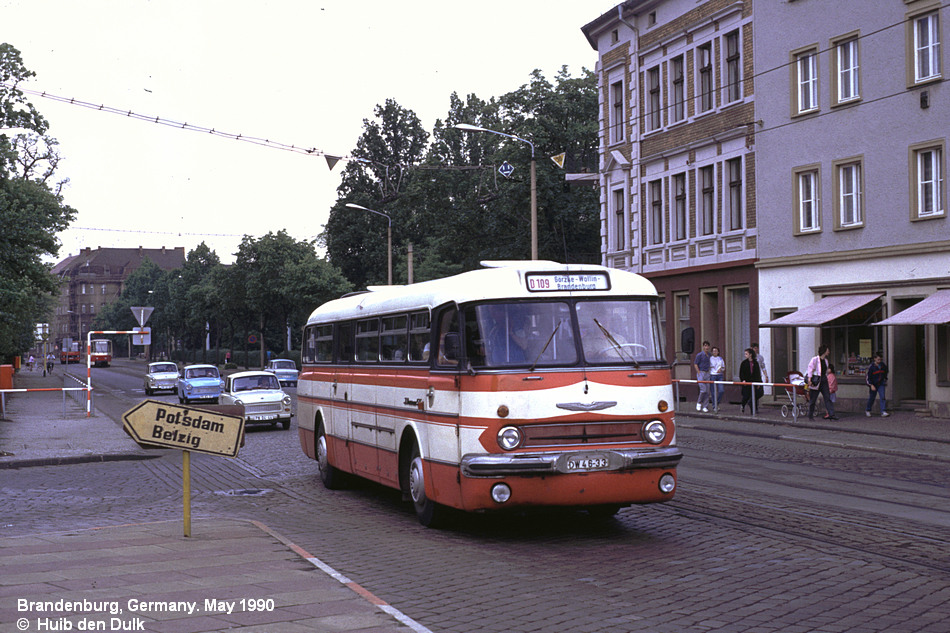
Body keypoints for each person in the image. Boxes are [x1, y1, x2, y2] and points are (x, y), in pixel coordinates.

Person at [805, 345, 836, 420]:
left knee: (827, 397)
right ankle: (810, 415)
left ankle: (831, 414)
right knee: (813, 399)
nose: (828, 352)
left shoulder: (826, 361)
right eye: (827, 350)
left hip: (824, 381)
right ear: (824, 351)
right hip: (817, 381)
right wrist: (809, 379)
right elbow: (810, 369)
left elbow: (825, 371)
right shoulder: (815, 359)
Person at [739, 348, 763, 413]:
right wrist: (743, 380)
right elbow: (741, 373)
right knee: (746, 396)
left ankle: (754, 410)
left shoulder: (755, 363)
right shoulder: (744, 363)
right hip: (747, 382)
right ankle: (743, 405)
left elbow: (758, 373)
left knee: (754, 395)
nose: (745, 355)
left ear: (750, 354)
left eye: (746, 354)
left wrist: (758, 382)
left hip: (754, 381)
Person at [865, 352, 889, 417]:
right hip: (873, 384)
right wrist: (871, 385)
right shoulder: (871, 367)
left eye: (880, 359)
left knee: (882, 396)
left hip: (881, 383)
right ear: (874, 359)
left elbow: (886, 371)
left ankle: (883, 411)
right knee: (872, 397)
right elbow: (868, 377)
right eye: (878, 359)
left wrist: (885, 378)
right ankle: (868, 409)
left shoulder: (883, 365)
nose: (879, 361)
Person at [693, 341, 712, 412]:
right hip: (701, 372)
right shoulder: (699, 355)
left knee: (707, 391)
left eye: (707, 346)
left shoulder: (709, 355)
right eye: (705, 346)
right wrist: (698, 372)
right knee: (703, 389)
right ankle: (698, 402)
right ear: (703, 347)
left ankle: (705, 406)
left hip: (707, 373)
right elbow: (695, 364)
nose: (706, 347)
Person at [709, 346, 726, 411]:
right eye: (713, 351)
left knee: (721, 390)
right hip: (712, 375)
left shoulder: (720, 359)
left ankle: (717, 403)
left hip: (719, 375)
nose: (715, 352)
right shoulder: (710, 359)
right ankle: (714, 406)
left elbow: (723, 367)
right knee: (713, 392)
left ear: (718, 352)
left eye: (716, 351)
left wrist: (721, 370)